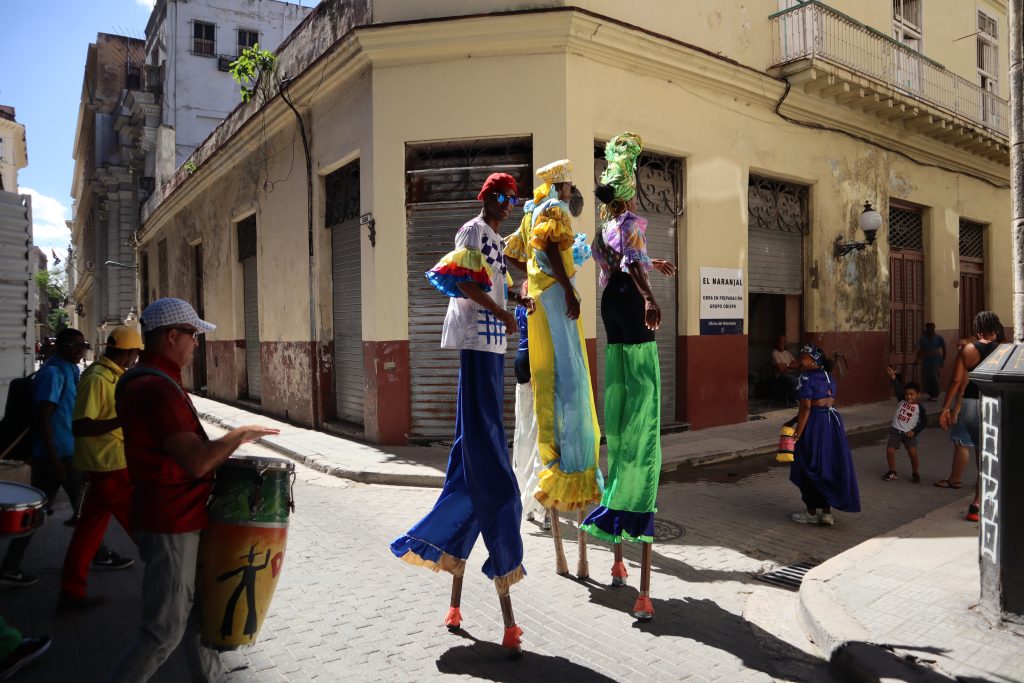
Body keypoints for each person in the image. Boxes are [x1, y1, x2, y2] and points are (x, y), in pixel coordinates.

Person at [107, 298, 279, 682]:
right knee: (162, 632)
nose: (196, 343)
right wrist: (238, 435)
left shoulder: (153, 380)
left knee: (200, 617)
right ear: (171, 336)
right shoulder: (155, 387)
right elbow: (197, 461)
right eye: (193, 334)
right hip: (171, 521)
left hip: (178, 515)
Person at [390, 173, 527, 657]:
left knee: (480, 444)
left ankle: (455, 603)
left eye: (513, 199)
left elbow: (495, 278)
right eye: (505, 197)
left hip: (493, 342)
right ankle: (495, 491)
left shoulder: (495, 238)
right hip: (477, 340)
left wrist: (518, 301)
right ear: (488, 198)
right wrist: (502, 311)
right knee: (486, 446)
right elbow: (465, 284)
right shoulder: (472, 230)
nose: (510, 205)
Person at [581, 132, 677, 621]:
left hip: (609, 308)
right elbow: (632, 266)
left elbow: (614, 263)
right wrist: (650, 296)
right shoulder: (633, 221)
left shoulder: (602, 230)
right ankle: (634, 507)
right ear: (629, 192)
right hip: (630, 303)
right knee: (645, 404)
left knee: (619, 396)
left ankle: (616, 560)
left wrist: (645, 266)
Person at [503, 159, 602, 579]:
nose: (570, 189)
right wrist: (565, 289)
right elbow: (544, 250)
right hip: (555, 302)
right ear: (561, 183)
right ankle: (570, 477)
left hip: (537, 307)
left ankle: (547, 492)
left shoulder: (528, 214)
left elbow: (515, 255)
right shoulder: (553, 211)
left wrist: (523, 289)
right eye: (569, 183)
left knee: (548, 391)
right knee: (572, 385)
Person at [58, 327, 144, 610]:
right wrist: (123, 419)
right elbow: (81, 425)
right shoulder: (97, 378)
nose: (135, 359)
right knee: (143, 529)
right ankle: (174, 587)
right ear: (129, 353)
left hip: (109, 465)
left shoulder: (112, 375)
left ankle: (71, 592)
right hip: (109, 466)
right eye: (135, 354)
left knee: (88, 532)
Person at [1, 328, 87, 587]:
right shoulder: (52, 373)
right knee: (81, 509)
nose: (81, 350)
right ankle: (10, 565)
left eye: (83, 345)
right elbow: (43, 417)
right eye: (77, 345)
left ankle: (11, 565)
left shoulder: (69, 370)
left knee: (77, 507)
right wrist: (53, 459)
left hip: (66, 451)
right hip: (56, 454)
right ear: (63, 346)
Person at [936, 311, 1003, 522]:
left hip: (969, 405)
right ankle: (977, 504)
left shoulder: (968, 350)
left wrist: (945, 409)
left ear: (977, 329)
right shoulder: (1004, 350)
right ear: (996, 329)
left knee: (971, 449)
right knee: (986, 457)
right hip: (993, 404)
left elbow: (956, 381)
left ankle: (977, 498)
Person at [789, 344, 861, 526]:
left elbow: (806, 407)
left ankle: (811, 512)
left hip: (815, 424)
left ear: (813, 361)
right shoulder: (828, 376)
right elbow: (821, 403)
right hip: (832, 423)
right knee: (827, 464)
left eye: (803, 357)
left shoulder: (806, 377)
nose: (800, 359)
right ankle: (827, 512)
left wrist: (798, 432)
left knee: (808, 464)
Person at [508, 281, 548, 530]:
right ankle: (534, 505)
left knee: (523, 432)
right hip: (535, 362)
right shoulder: (537, 305)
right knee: (538, 437)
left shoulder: (519, 308)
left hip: (520, 361)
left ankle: (525, 498)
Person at [881, 366, 928, 483]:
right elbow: (897, 388)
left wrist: (914, 432)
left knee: (912, 453)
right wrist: (893, 377)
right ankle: (892, 472)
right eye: (907, 394)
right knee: (890, 451)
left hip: (909, 433)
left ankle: (915, 473)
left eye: (912, 394)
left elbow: (924, 422)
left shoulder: (920, 408)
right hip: (895, 431)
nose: (908, 396)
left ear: (918, 394)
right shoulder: (902, 400)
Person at [915, 322, 946, 401]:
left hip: (936, 359)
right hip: (926, 359)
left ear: (934, 328)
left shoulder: (939, 338)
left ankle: (935, 393)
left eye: (931, 328)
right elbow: (921, 349)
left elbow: (944, 349)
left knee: (933, 375)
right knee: (927, 376)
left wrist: (943, 360)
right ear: (926, 329)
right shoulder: (923, 338)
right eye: (928, 328)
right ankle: (930, 394)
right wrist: (916, 359)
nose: (930, 330)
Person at [771, 335, 800, 405]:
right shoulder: (775, 353)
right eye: (781, 342)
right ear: (777, 342)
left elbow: (797, 364)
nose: (783, 344)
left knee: (803, 376)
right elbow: (781, 369)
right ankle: (794, 400)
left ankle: (801, 398)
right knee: (791, 378)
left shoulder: (787, 352)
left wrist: (785, 365)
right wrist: (790, 365)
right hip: (780, 376)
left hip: (790, 373)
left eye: (784, 342)